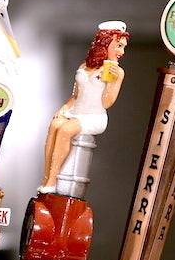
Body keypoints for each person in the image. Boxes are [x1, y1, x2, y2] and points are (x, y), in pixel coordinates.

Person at [39, 21, 128, 193]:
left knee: (65, 130)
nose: (121, 51)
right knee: (55, 124)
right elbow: (76, 96)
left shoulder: (117, 73)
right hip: (76, 112)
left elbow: (106, 103)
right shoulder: (84, 67)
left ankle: (52, 181)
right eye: (118, 45)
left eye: (123, 47)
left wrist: (112, 82)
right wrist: (63, 109)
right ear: (105, 43)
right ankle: (46, 176)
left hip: (94, 117)